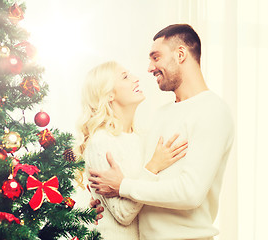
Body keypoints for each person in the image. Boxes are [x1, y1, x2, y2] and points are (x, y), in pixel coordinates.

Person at [88, 24, 235, 240]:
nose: (149, 68)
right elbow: (142, 175)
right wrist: (97, 204)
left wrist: (123, 186)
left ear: (181, 54)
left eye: (156, 57)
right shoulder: (159, 115)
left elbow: (190, 193)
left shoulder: (212, 110)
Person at [75, 61, 188, 240]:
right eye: (125, 76)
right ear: (109, 94)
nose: (136, 79)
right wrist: (153, 166)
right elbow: (124, 215)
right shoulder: (101, 141)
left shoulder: (139, 138)